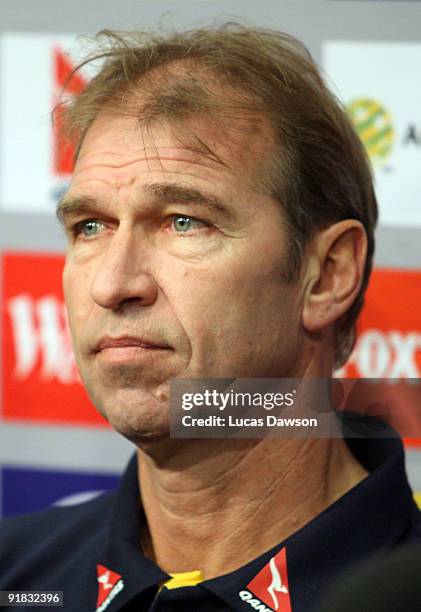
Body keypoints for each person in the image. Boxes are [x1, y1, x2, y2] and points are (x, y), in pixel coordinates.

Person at [1, 23, 420, 612]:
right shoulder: (16, 575)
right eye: (90, 226)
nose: (113, 284)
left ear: (326, 274)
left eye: (183, 221)